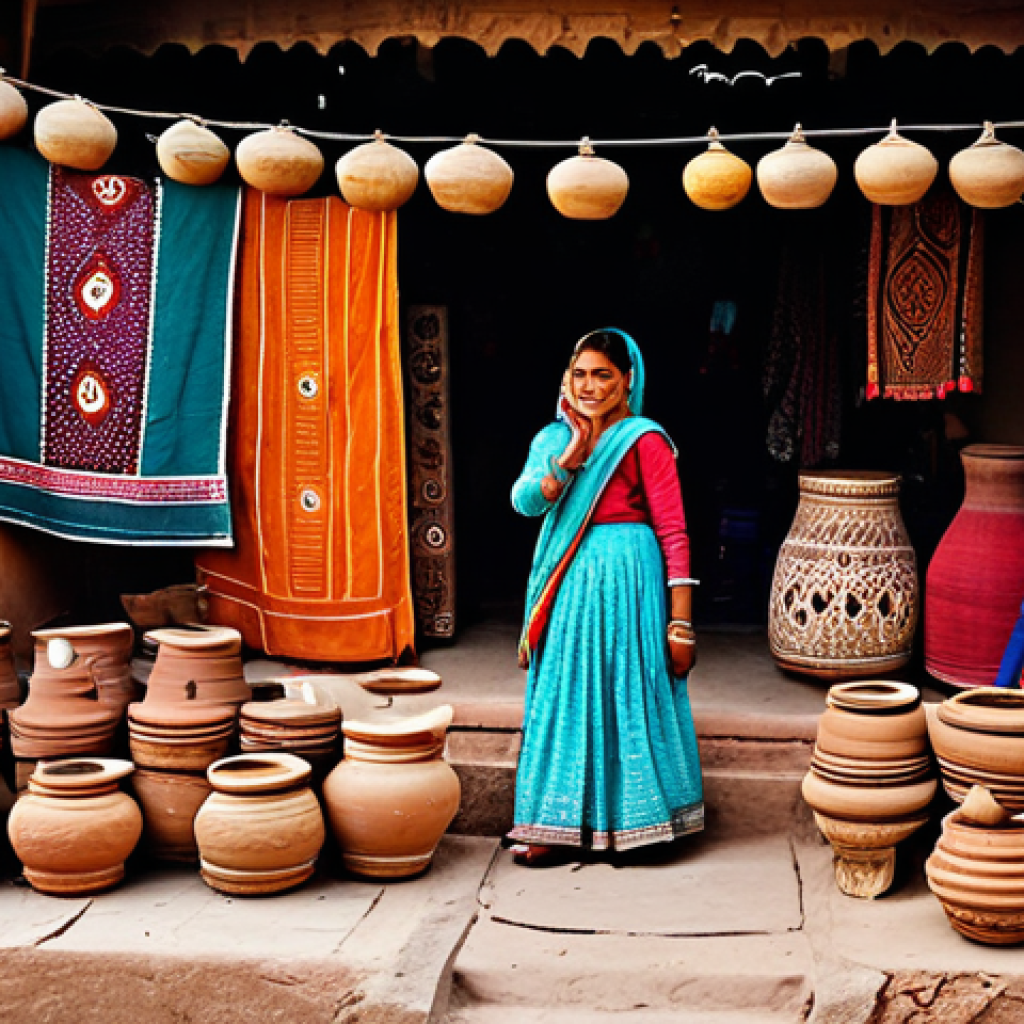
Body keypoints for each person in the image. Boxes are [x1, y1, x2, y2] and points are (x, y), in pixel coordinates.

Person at [508, 327, 704, 864]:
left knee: (627, 693)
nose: (589, 386)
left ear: (627, 381)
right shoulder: (552, 440)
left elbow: (674, 531)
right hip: (571, 582)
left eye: (603, 375)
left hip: (632, 583)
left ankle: (639, 824)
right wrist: (566, 462)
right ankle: (553, 823)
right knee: (564, 696)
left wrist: (681, 622)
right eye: (580, 374)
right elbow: (524, 502)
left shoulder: (644, 440)